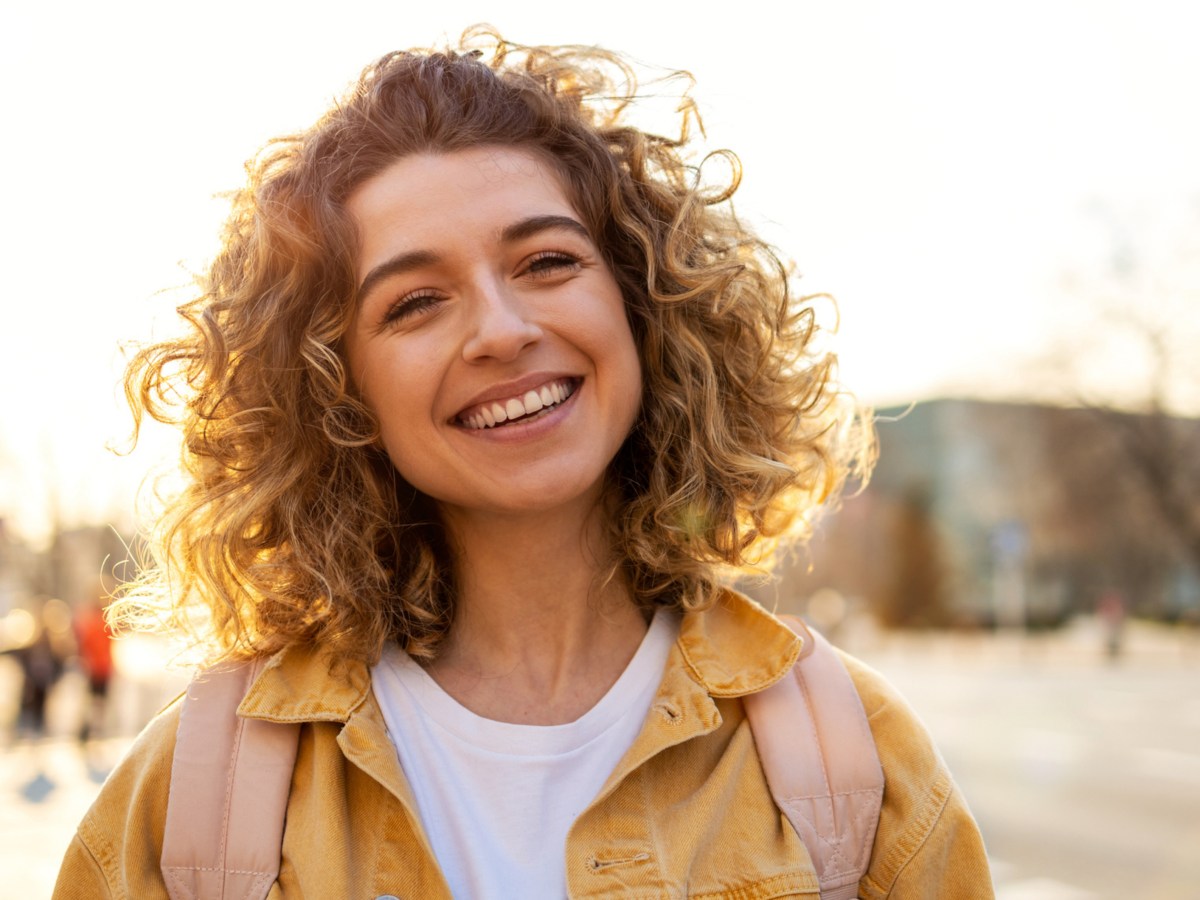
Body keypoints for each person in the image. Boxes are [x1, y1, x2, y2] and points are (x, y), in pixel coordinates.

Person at [55, 28, 992, 898]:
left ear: (641, 302)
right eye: (416, 302)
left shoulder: (854, 757)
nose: (502, 332)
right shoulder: (195, 795)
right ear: (336, 393)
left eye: (547, 262)